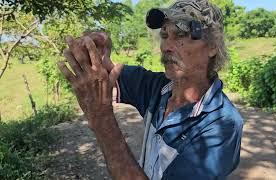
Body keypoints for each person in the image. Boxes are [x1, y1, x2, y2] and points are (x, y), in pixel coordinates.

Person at [58, 0, 244, 179]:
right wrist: (98, 49)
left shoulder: (222, 124)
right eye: (164, 35)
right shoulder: (157, 86)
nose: (165, 47)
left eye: (180, 35)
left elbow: (101, 106)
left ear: (212, 46)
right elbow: (105, 75)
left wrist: (102, 120)